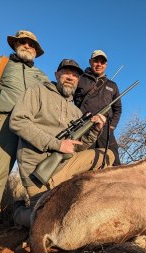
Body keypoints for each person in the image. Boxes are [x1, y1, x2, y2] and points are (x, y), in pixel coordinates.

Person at [9, 59, 114, 228]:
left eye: (75, 75)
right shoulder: (38, 91)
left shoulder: (75, 111)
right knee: (48, 222)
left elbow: (79, 146)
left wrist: (95, 130)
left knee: (106, 155)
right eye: (66, 73)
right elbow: (17, 122)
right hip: (37, 172)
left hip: (63, 167)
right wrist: (57, 145)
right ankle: (18, 213)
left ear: (78, 80)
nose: (71, 78)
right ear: (57, 74)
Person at [0, 30, 48, 242]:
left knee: (40, 175)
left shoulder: (41, 76)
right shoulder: (0, 63)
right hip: (3, 122)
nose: (27, 46)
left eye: (32, 44)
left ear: (36, 50)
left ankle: (42, 224)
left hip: (32, 126)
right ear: (16, 44)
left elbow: (55, 99)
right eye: (23, 42)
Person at [74, 50, 121, 166]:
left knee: (113, 162)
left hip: (105, 130)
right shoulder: (79, 79)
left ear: (106, 65)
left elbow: (118, 109)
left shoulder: (112, 85)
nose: (99, 64)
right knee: (83, 164)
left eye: (102, 62)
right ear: (90, 62)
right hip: (84, 128)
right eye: (96, 61)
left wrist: (111, 126)